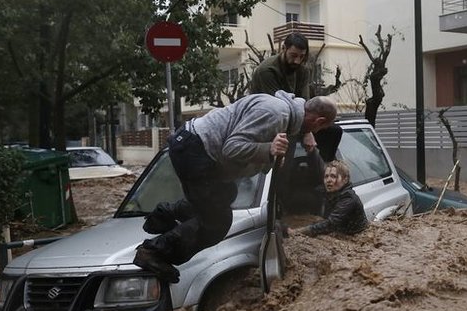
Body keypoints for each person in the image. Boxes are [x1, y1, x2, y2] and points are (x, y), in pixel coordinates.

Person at [133, 92, 338, 283]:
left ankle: (163, 215)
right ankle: (153, 252)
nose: (316, 132)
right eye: (320, 128)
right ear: (319, 122)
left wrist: (270, 157)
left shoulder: (284, 111)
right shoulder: (276, 115)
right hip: (196, 151)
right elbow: (232, 147)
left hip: (193, 146)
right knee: (217, 222)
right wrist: (269, 151)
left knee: (224, 194)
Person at [249, 32, 342, 163]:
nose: (297, 61)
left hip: (294, 116)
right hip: (268, 119)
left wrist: (309, 130)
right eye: (293, 56)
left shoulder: (302, 71)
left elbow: (305, 104)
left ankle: (325, 173)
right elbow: (275, 109)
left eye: (302, 57)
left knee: (333, 131)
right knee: (288, 138)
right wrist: (306, 132)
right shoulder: (267, 71)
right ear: (283, 49)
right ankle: (282, 178)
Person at [290, 160, 368, 237]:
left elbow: (330, 224)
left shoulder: (348, 199)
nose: (328, 180)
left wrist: (297, 232)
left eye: (333, 176)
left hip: (356, 237)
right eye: (326, 176)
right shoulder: (330, 191)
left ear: (345, 180)